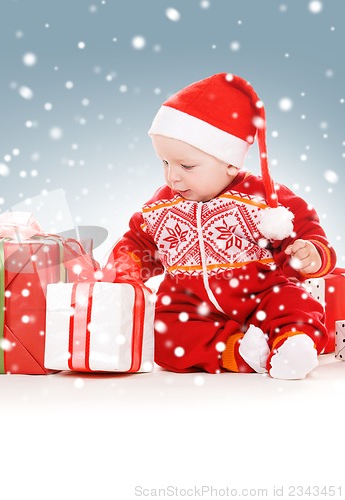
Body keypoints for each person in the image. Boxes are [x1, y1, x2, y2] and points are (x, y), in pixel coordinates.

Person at [103, 72, 336, 379]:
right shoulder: (162, 206)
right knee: (162, 335)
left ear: (229, 162)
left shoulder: (262, 197)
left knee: (295, 303)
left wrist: (311, 252)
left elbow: (305, 227)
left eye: (186, 165)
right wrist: (124, 273)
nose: (172, 177)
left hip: (260, 297)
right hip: (192, 306)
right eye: (165, 162)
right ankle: (238, 351)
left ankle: (292, 343)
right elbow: (138, 243)